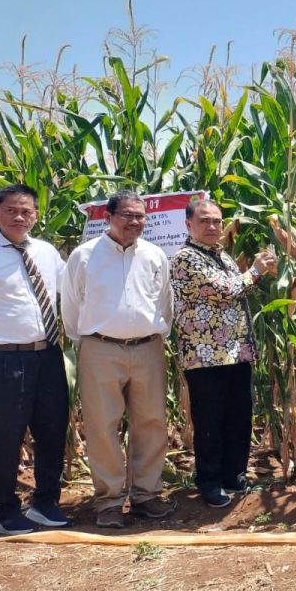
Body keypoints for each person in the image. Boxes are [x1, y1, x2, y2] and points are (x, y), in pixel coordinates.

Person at [61, 190, 174, 528]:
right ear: (108, 217)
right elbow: (70, 304)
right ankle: (109, 501)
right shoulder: (83, 256)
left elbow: (165, 301)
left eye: (140, 216)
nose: (135, 222)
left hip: (148, 347)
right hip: (100, 348)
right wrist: (88, 339)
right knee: (102, 425)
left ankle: (146, 496)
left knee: (152, 422)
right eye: (127, 215)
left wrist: (155, 334)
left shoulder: (155, 255)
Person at [170, 199, 276, 507]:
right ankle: (209, 481)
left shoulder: (223, 256)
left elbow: (235, 292)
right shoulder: (186, 258)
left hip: (236, 352)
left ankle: (234, 476)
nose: (213, 226)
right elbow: (227, 291)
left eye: (217, 221)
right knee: (210, 421)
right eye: (205, 221)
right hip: (205, 356)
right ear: (188, 224)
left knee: (238, 418)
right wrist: (255, 270)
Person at [0, 184, 70, 534]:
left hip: (48, 354)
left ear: (37, 215)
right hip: (5, 359)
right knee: (5, 436)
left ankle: (45, 502)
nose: (19, 216)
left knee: (53, 429)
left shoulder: (46, 251)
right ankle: (5, 510)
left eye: (27, 211)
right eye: (11, 210)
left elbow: (70, 290)